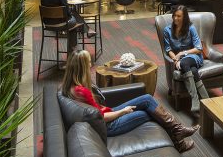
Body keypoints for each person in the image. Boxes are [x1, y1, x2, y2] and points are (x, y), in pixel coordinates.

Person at [61, 49, 198, 151]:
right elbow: (101, 117)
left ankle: (178, 130)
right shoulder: (82, 91)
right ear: (82, 67)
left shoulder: (69, 86)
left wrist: (116, 110)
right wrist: (123, 111)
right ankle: (178, 141)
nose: (91, 64)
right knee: (150, 112)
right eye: (88, 63)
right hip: (109, 125)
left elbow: (98, 112)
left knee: (147, 99)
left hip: (107, 113)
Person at [163, 5, 209, 115]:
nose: (175, 18)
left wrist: (182, 54)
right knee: (193, 71)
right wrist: (175, 60)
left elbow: (199, 48)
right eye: (174, 15)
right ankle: (206, 99)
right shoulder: (167, 30)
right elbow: (168, 49)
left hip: (194, 57)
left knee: (184, 63)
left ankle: (194, 99)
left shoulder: (191, 28)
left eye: (179, 16)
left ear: (185, 17)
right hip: (181, 61)